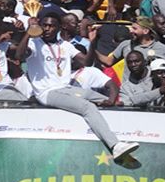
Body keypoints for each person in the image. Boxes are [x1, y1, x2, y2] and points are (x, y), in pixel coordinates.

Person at [19, 9, 138, 161]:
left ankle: (124, 136)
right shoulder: (34, 43)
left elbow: (87, 63)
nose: (47, 29)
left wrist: (93, 41)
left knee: (108, 100)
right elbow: (19, 55)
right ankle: (115, 146)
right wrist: (29, 32)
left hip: (66, 88)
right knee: (88, 107)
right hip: (47, 93)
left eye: (51, 26)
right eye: (44, 25)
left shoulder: (65, 45)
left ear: (59, 27)